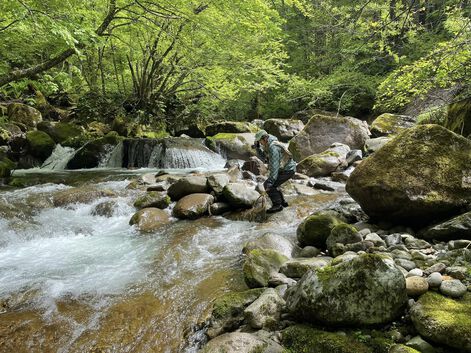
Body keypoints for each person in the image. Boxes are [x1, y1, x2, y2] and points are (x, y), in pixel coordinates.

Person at [254, 130, 296, 213]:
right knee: (275, 184)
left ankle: (277, 205)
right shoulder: (269, 143)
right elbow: (264, 158)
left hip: (288, 170)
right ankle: (283, 202)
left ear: (264, 139)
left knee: (268, 185)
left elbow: (274, 166)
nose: (260, 143)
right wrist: (257, 148)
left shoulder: (273, 148)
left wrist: (271, 180)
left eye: (260, 141)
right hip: (285, 168)